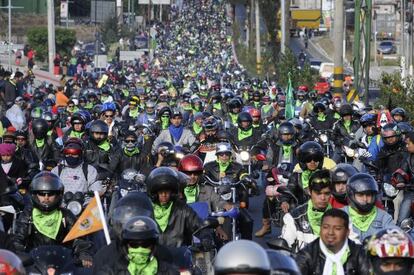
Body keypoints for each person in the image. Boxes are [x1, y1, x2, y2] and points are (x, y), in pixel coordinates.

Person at [12, 172, 94, 268]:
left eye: (50, 194)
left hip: (63, 265)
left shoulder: (66, 215)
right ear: (35, 194)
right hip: (34, 265)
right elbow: (18, 240)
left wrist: (83, 254)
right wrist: (19, 255)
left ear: (58, 194)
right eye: (42, 194)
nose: (46, 198)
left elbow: (79, 239)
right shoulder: (28, 214)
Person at [146, 167, 210, 248]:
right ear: (155, 193)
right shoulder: (147, 209)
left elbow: (198, 225)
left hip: (179, 257)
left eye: (167, 191)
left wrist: (206, 237)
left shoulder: (182, 209)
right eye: (160, 191)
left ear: (172, 192)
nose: (164, 194)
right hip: (153, 257)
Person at [295, 208, 370, 275]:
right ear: (320, 229)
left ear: (347, 232)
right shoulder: (307, 254)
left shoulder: (360, 253)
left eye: (337, 228)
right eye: (325, 227)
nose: (330, 232)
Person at [97, 216, 179, 275]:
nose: (140, 248)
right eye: (134, 244)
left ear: (153, 246)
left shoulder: (169, 272)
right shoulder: (110, 272)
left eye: (145, 244)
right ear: (126, 246)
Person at [280, 169, 332, 251]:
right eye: (318, 193)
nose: (323, 198)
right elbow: (284, 251)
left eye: (326, 193)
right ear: (310, 192)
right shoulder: (294, 218)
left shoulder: (341, 217)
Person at [280, 141, 336, 213]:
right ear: (303, 161)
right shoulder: (297, 176)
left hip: (325, 210)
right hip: (303, 211)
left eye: (316, 159)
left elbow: (337, 190)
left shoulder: (327, 174)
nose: (312, 162)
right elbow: (290, 188)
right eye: (308, 159)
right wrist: (284, 201)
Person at [342, 173, 396, 243]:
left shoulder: (384, 217)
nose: (365, 199)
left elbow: (394, 241)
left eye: (368, 195)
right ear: (351, 195)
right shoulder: (340, 215)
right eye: (360, 195)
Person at [393, 131, 414, 225]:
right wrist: (400, 181)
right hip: (411, 192)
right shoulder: (408, 158)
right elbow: (402, 171)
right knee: (402, 220)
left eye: (408, 144)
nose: (406, 146)